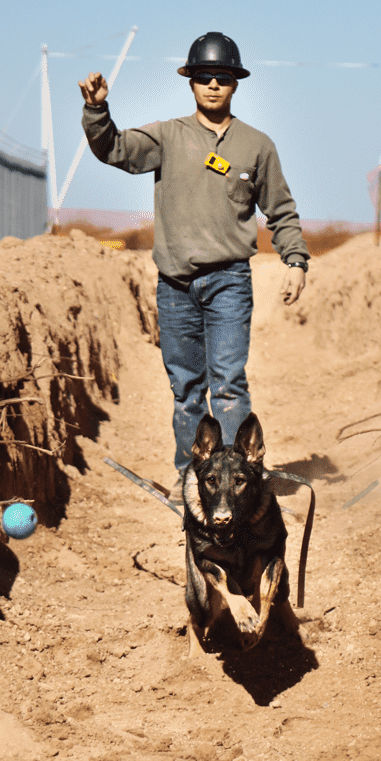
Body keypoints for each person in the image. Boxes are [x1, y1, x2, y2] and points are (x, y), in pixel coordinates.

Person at [79, 31, 309, 495]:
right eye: (203, 77)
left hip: (229, 282)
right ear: (190, 82)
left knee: (228, 386)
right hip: (176, 286)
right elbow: (114, 150)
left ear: (235, 84)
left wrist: (296, 260)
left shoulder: (256, 146)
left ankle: (239, 479)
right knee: (187, 393)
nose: (212, 85)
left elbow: (280, 210)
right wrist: (97, 110)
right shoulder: (167, 137)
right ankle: (193, 479)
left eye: (222, 77)